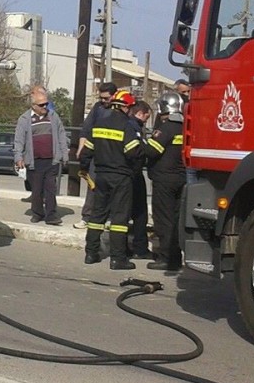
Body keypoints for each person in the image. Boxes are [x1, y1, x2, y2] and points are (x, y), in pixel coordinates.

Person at [79, 89, 143, 270]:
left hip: (101, 176)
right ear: (125, 108)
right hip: (121, 177)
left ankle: (90, 254)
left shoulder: (99, 123)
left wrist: (84, 169)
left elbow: (87, 151)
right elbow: (134, 153)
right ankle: (118, 259)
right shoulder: (127, 126)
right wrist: (135, 170)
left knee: (96, 215)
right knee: (119, 219)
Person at [13, 85, 69, 225]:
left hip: (51, 160)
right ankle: (37, 213)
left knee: (50, 189)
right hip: (34, 161)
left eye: (46, 103)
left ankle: (51, 215)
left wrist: (64, 154)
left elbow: (61, 135)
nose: (45, 106)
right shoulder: (24, 119)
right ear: (33, 106)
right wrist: (18, 157)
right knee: (37, 190)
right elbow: (19, 140)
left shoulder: (53, 116)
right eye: (42, 104)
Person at [144, 92, 187, 271]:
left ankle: (165, 258)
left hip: (164, 180)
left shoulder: (165, 128)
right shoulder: (185, 127)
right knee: (176, 220)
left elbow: (152, 151)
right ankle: (175, 258)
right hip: (181, 178)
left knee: (163, 220)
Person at [74, 82, 117, 229]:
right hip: (96, 154)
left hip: (113, 156)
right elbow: (86, 129)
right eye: (101, 98)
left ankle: (110, 218)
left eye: (106, 98)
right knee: (93, 186)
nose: (104, 101)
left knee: (112, 188)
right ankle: (87, 217)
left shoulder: (119, 110)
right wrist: (81, 149)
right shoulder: (98, 108)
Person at [127, 100, 154, 259]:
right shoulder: (133, 127)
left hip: (133, 174)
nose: (146, 121)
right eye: (146, 117)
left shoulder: (133, 126)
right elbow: (135, 150)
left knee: (137, 212)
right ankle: (139, 248)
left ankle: (137, 247)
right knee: (138, 213)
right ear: (139, 113)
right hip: (132, 174)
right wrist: (148, 149)